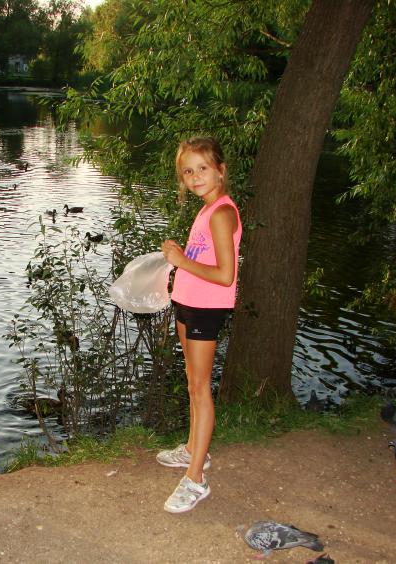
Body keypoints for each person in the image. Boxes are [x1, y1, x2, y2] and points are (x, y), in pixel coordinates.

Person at [158, 136, 242, 513]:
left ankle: (196, 478)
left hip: (206, 308)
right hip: (187, 303)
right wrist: (178, 259)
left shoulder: (222, 212)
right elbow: (200, 258)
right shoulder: (207, 209)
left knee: (201, 389)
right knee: (193, 384)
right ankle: (194, 449)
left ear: (221, 170)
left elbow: (225, 275)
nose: (195, 177)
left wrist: (181, 261)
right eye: (188, 171)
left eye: (202, 168)